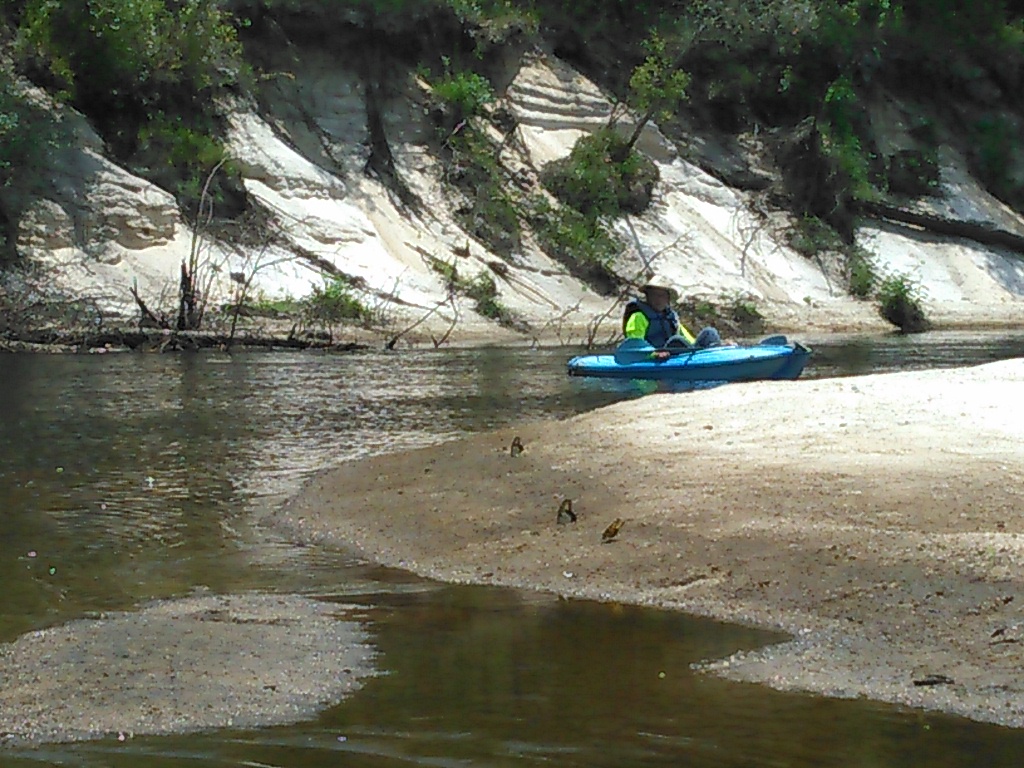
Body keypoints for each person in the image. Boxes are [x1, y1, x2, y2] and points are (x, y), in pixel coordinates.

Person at [622, 276, 722, 359]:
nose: (658, 300)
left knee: (710, 332)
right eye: (655, 295)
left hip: (674, 354)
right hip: (655, 357)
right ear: (648, 296)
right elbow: (634, 345)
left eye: (662, 296)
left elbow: (689, 340)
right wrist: (653, 354)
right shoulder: (638, 317)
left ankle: (716, 355)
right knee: (676, 340)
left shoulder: (671, 317)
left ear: (668, 299)